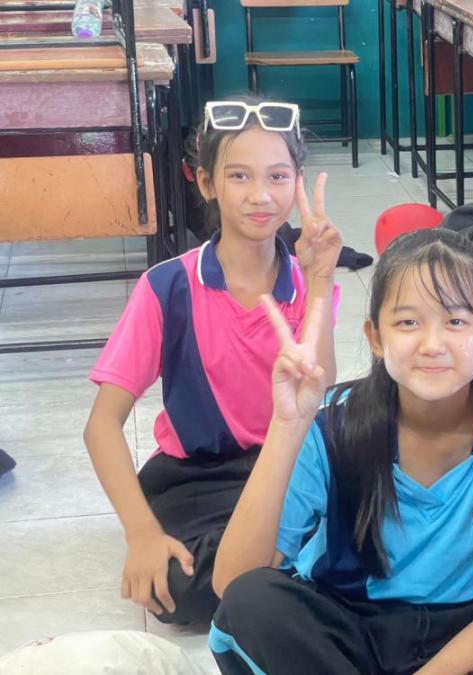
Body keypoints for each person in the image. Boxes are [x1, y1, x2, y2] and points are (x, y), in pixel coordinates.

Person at [209, 228, 473, 675]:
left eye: (456, 321)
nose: (432, 345)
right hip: (343, 631)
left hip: (461, 641)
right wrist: (287, 426)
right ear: (375, 336)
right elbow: (234, 582)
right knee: (253, 604)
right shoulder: (335, 424)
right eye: (408, 322)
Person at [83, 96, 341, 625]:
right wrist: (141, 533)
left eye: (278, 176)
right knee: (178, 586)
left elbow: (319, 390)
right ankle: (285, 568)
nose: (261, 195)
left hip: (287, 464)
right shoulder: (168, 286)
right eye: (239, 176)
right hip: (196, 480)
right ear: (206, 183)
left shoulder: (309, 282)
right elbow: (101, 425)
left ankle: (274, 566)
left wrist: (319, 281)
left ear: (297, 183)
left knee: (374, 531)